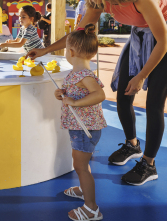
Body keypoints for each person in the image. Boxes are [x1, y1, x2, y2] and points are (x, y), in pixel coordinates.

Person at [29, 0, 167, 186]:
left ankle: (149, 164)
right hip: (140, 35)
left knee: (154, 104)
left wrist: (141, 76)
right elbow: (78, 33)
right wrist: (45, 50)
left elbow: (164, 40)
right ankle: (133, 144)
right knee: (123, 95)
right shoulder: (98, 1)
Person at [55, 24, 106, 221]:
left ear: (72, 51)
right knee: (82, 164)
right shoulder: (77, 74)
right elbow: (79, 93)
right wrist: (63, 94)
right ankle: (84, 190)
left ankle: (92, 208)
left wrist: (75, 102)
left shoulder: (84, 75)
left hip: (85, 129)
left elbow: (99, 94)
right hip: (81, 128)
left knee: (80, 166)